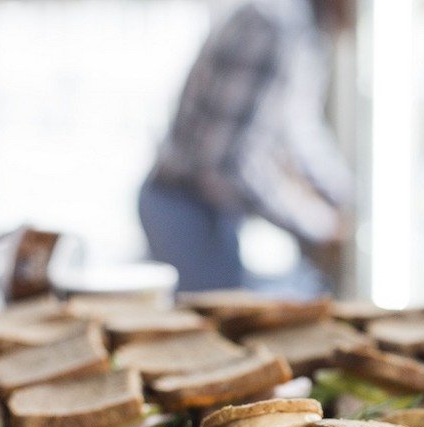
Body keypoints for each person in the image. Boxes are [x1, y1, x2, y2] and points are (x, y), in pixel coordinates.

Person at [139, 0, 353, 294]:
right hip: (183, 203)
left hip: (212, 206)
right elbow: (227, 165)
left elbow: (300, 133)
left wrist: (344, 198)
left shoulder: (304, 33)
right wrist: (315, 224)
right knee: (207, 325)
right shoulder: (270, 24)